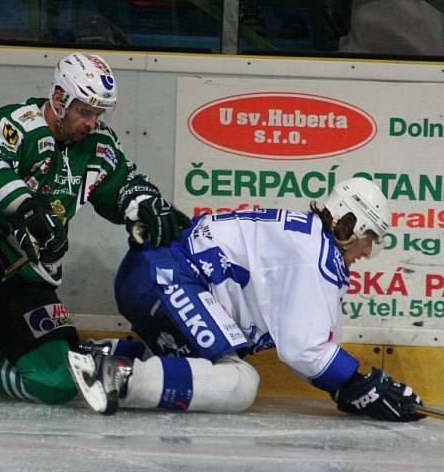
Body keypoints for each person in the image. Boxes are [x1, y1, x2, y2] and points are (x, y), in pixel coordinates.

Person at [0, 52, 189, 414]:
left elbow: (122, 185)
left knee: (56, 382)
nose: (92, 123)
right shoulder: (18, 123)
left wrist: (146, 204)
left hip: (27, 271)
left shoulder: (98, 146)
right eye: (85, 111)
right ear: (60, 99)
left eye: (98, 114)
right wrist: (28, 209)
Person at [67, 177, 426, 422]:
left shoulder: (309, 240)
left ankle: (102, 356)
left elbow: (314, 341)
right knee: (240, 382)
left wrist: (352, 386)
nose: (367, 251)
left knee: (199, 369)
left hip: (153, 272)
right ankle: (122, 379)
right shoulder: (314, 255)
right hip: (168, 277)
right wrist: (356, 384)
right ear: (349, 224)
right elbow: (304, 349)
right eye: (370, 238)